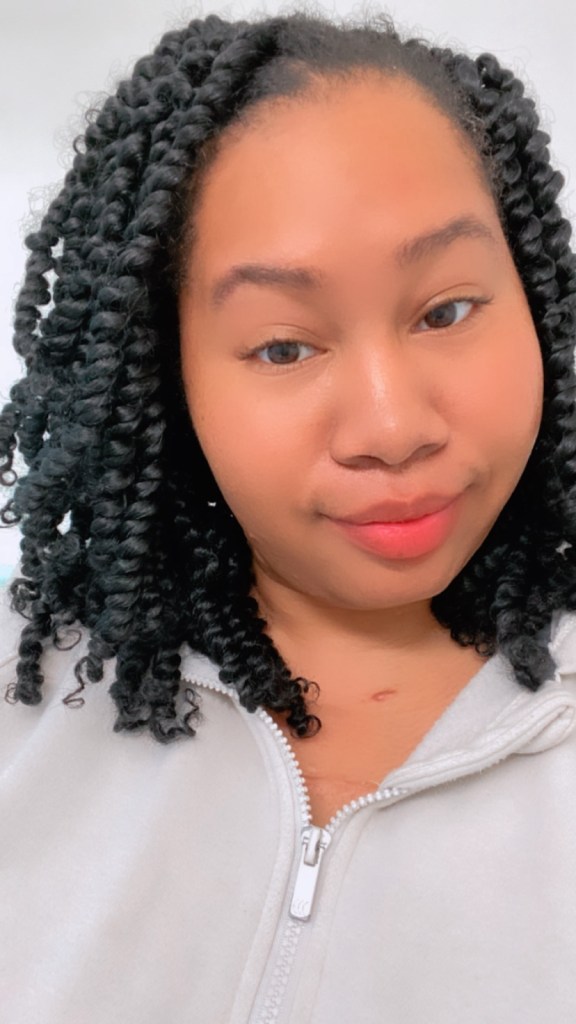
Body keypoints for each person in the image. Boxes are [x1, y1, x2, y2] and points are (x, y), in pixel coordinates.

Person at [1, 7, 576, 1021]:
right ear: (168, 377)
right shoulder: (25, 704)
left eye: (446, 311)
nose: (393, 428)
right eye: (283, 347)